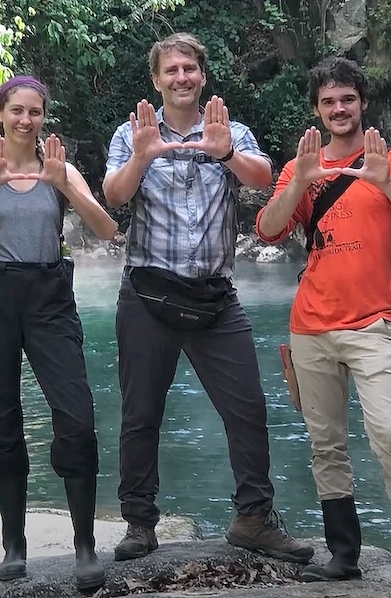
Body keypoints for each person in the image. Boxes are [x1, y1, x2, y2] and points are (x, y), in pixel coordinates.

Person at [102, 32, 314, 564]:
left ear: (202, 76)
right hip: (148, 292)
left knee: (248, 409)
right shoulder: (133, 134)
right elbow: (114, 195)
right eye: (171, 70)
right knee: (140, 413)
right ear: (156, 80)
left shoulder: (231, 130)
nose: (181, 78)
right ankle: (139, 523)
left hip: (216, 297)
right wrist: (143, 156)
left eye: (189, 69)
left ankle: (253, 518)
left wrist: (225, 154)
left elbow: (265, 179)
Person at [255, 56, 391, 595]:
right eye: (328, 102)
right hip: (310, 326)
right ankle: (344, 554)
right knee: (326, 443)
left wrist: (387, 184)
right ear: (316, 109)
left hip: (374, 325)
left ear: (362, 104)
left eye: (348, 100)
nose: (339, 109)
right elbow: (268, 230)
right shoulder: (302, 167)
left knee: (389, 431)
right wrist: (300, 183)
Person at [0, 75, 118, 591]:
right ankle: (14, 545)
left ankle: (84, 545)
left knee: (77, 416)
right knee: (1, 417)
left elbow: (107, 230)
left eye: (34, 112)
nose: (25, 120)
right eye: (16, 110)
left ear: (43, 117)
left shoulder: (57, 169)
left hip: (49, 299)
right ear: (0, 113)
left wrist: (63, 186)